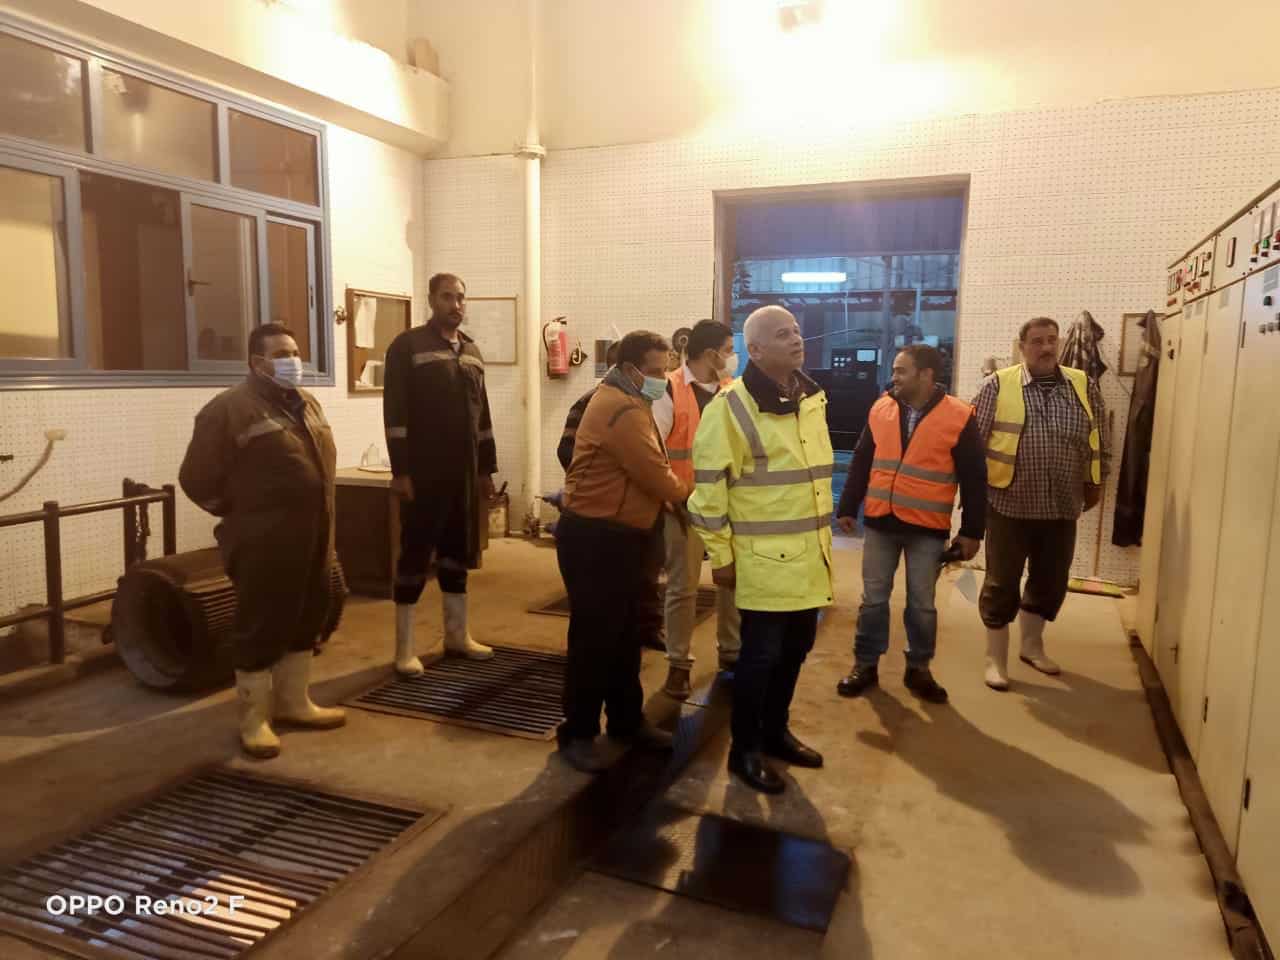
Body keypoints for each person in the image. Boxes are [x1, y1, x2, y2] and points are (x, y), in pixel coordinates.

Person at [179, 323, 345, 758]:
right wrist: (244, 516)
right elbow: (195, 479)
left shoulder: (305, 402)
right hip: (264, 540)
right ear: (257, 363)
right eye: (283, 354)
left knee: (307, 615)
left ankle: (294, 703)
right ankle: (253, 720)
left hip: (315, 533)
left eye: (295, 352)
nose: (294, 361)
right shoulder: (228, 409)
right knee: (261, 624)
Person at [688, 306, 833, 794]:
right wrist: (721, 556)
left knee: (796, 649)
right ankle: (744, 750)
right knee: (759, 658)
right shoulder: (730, 408)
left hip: (810, 557)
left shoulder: (810, 398)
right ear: (755, 349)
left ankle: (775, 732)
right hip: (764, 562)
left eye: (796, 330)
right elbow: (707, 494)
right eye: (782, 334)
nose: (796, 339)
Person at [555, 331, 690, 772]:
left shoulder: (631, 399)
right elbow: (655, 473)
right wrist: (690, 493)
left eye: (666, 370)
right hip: (597, 538)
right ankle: (577, 732)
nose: (662, 379)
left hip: (623, 535)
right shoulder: (621, 407)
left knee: (625, 635)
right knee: (595, 639)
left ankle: (626, 722)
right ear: (631, 369)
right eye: (655, 371)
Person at [834, 344, 987, 704]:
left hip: (927, 528)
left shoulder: (959, 416)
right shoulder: (881, 408)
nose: (894, 377)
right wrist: (848, 505)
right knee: (873, 600)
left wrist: (972, 531)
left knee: (922, 604)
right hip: (880, 521)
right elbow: (862, 459)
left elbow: (975, 477)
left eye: (901, 371)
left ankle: (918, 668)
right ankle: (865, 665)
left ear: (926, 375)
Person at [973, 316, 1108, 690]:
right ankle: (995, 659)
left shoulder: (1082, 385)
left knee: (1050, 580)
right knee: (1001, 583)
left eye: (1051, 339)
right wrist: (971, 496)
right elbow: (973, 442)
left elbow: (1101, 436)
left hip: (1062, 505)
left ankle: (1031, 646)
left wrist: (1098, 480)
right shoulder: (998, 385)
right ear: (1022, 347)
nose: (1046, 347)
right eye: (1037, 341)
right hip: (1008, 504)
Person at [383, 273, 498, 675]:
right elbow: (395, 414)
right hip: (424, 473)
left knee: (457, 555)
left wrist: (485, 470)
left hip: (463, 474)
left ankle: (456, 635)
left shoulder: (472, 351)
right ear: (431, 299)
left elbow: (483, 417)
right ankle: (404, 650)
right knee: (415, 556)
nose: (456, 304)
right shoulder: (407, 346)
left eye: (461, 297)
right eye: (447, 297)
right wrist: (401, 472)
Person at [650, 319, 741, 698]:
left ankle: (732, 657)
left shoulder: (734, 391)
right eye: (729, 350)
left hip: (729, 507)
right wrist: (672, 498)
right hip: (682, 506)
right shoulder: (667, 389)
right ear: (710, 354)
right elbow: (654, 451)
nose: (732, 357)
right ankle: (678, 666)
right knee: (682, 588)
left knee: (732, 583)